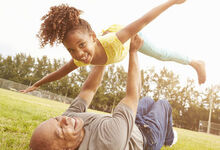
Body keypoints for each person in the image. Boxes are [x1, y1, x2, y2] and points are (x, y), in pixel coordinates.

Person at [21, 0, 206, 94]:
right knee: (94, 68)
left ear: (92, 38)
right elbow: (60, 73)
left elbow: (143, 20)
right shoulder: (79, 58)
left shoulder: (116, 40)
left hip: (128, 37)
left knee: (161, 54)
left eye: (82, 45)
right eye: (71, 50)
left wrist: (171, 2)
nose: (79, 54)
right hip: (106, 44)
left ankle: (195, 62)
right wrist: (37, 84)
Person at [30, 35, 176, 150]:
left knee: (149, 100)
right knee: (163, 104)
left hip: (131, 125)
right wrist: (133, 51)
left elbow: (88, 89)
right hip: (146, 137)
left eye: (56, 119)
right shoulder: (107, 142)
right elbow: (132, 96)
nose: (64, 120)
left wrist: (104, 54)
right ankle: (169, 139)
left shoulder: (68, 118)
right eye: (61, 129)